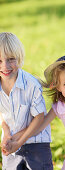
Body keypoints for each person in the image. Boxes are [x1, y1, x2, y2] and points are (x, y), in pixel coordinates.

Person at [0, 32, 53, 170]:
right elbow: (3, 114)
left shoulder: (31, 84)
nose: (5, 66)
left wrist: (19, 142)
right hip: (11, 144)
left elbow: (39, 117)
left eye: (11, 59)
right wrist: (6, 133)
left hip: (36, 143)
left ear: (19, 58)